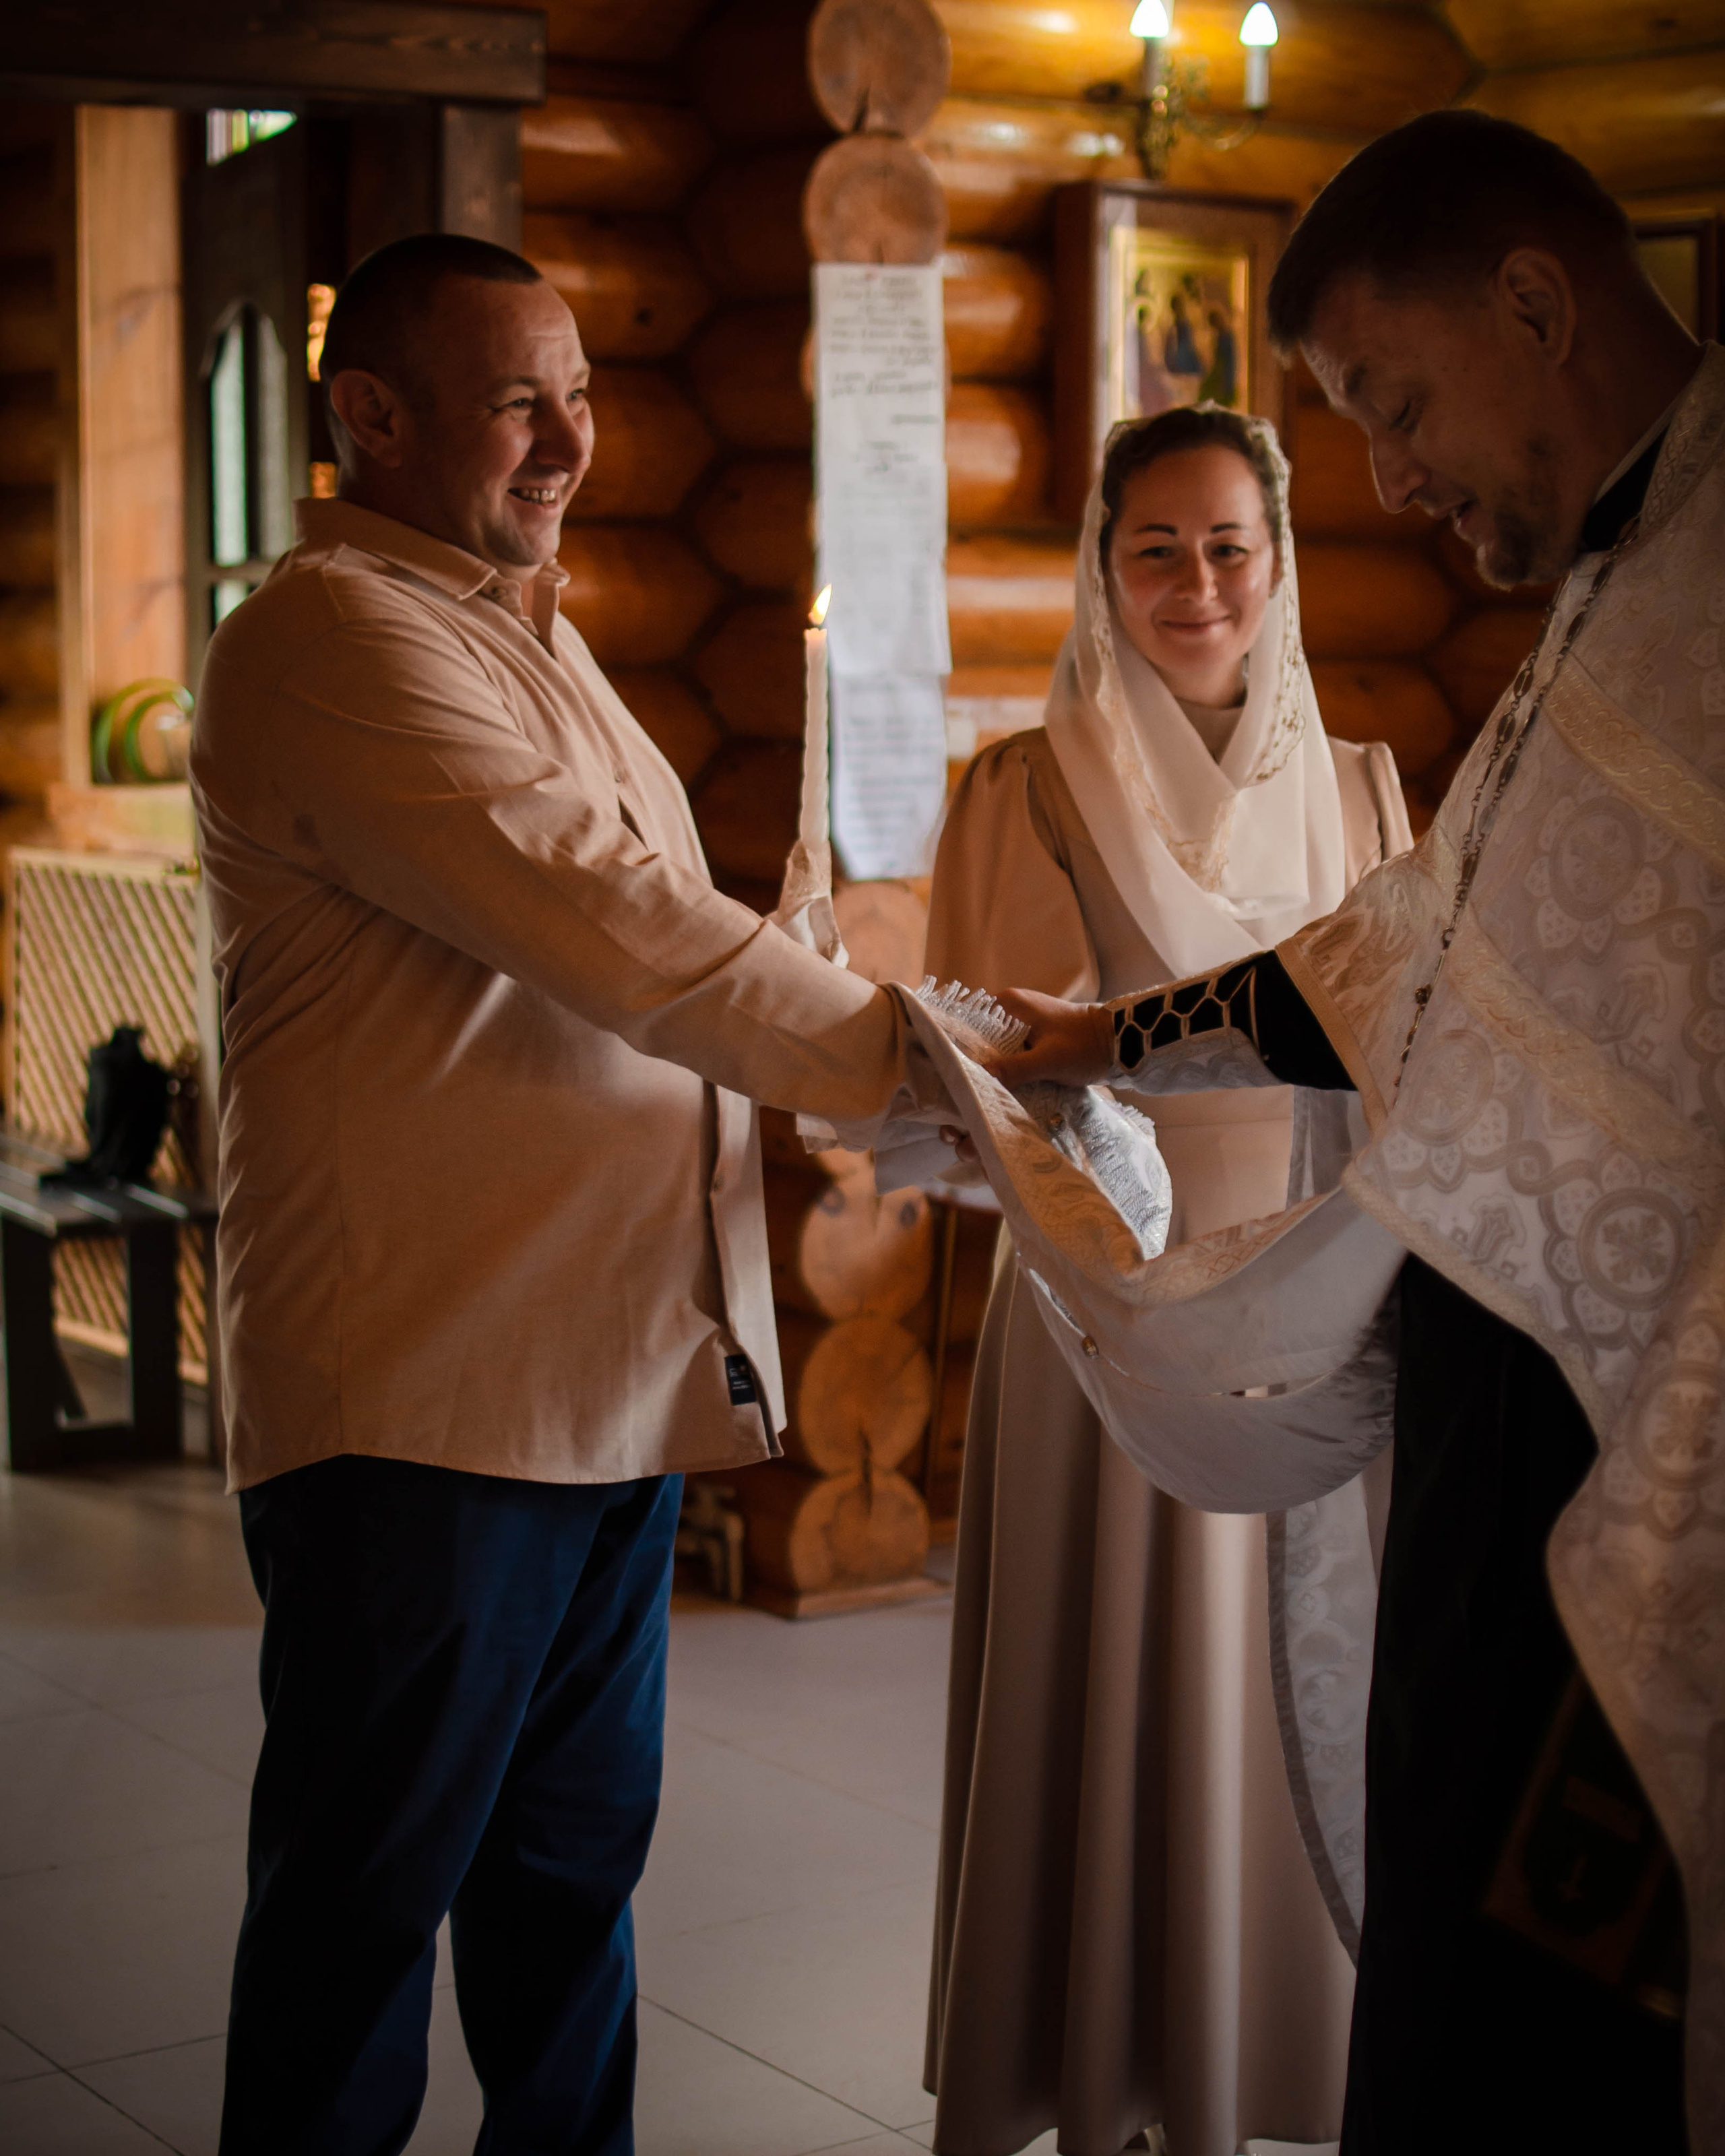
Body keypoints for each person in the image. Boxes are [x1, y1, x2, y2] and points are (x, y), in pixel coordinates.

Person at [953, 111, 1716, 2154]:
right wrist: (1116, 1033)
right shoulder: (1628, 570)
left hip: (1644, 1456)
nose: (1391, 476)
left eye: (1395, 400)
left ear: (1538, 303)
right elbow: (1416, 956)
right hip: (1490, 1425)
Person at [191, 233, 913, 2156]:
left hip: (602, 1381)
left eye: (583, 392)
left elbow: (651, 940)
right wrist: (916, 1058)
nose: (572, 442)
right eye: (522, 398)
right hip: (430, 1397)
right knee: (362, 1922)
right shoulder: (335, 632)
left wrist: (823, 972)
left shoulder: (536, 628)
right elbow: (616, 936)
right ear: (370, 415)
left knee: (566, 1902)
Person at [922, 405, 1408, 2156]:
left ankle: (1270, 2065)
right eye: (1158, 548)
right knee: (1122, 1703)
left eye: (1230, 546)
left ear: (1279, 561)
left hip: (1322, 1307)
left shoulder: (1364, 788)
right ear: (1100, 567)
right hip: (1111, 1317)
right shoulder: (1023, 786)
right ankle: (1122, 2083)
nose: (1197, 583)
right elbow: (1004, 1071)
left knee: (1297, 1716)